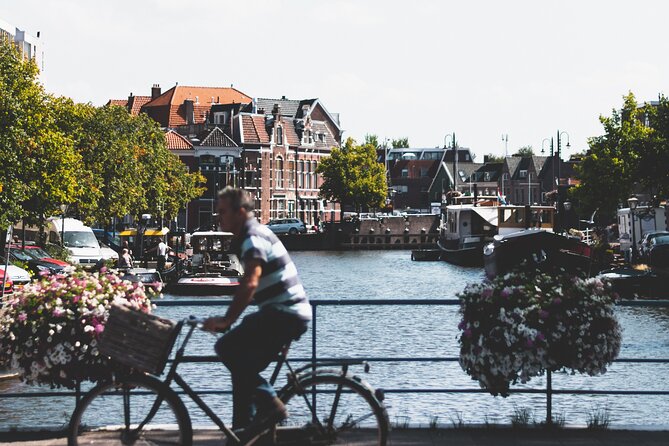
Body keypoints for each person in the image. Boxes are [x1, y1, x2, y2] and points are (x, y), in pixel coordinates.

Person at [203, 187, 311, 434]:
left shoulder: (253, 236)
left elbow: (250, 281)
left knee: (226, 348)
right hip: (283, 313)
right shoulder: (251, 235)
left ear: (240, 212)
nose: (219, 217)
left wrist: (227, 319)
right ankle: (244, 434)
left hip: (285, 313)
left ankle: (272, 404)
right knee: (242, 371)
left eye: (222, 212)